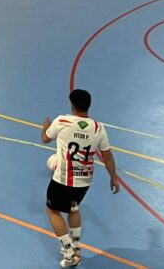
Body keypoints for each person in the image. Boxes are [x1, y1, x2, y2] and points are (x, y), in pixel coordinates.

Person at [41, 89, 119, 268]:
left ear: (72, 105)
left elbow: (45, 139)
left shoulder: (62, 121)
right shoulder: (98, 128)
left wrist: (45, 127)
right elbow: (107, 156)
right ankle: (75, 245)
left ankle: (70, 253)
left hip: (63, 179)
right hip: (84, 180)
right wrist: (113, 177)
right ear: (89, 106)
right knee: (73, 207)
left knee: (52, 211)